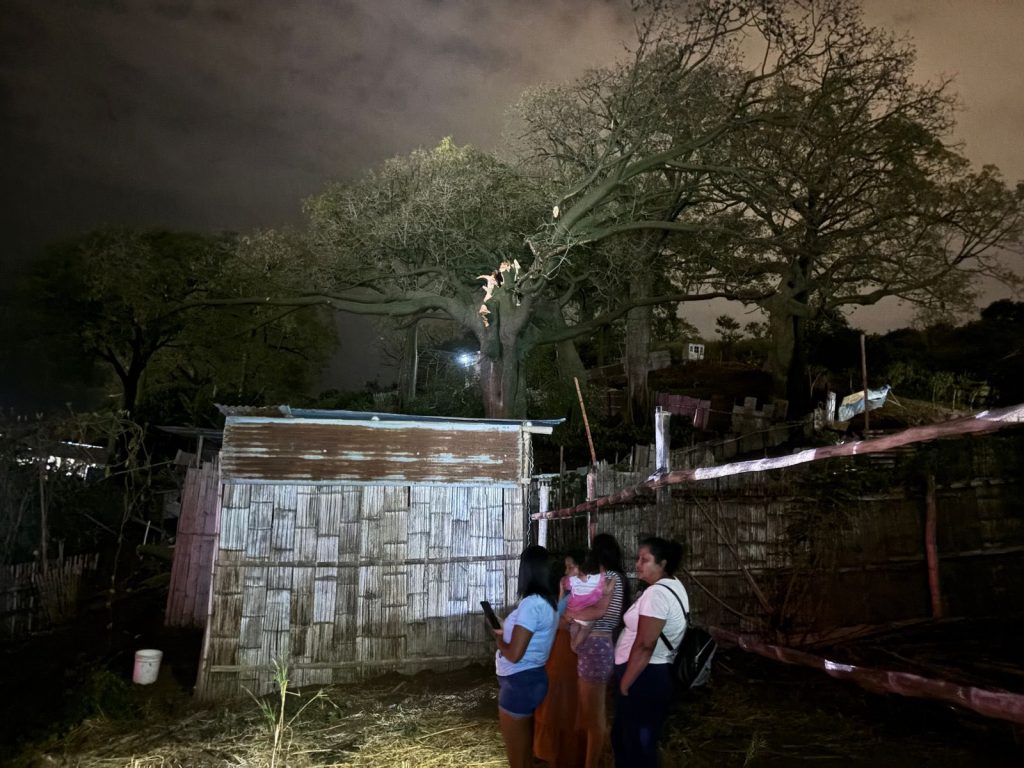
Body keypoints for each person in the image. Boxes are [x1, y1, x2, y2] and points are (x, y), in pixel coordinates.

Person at [611, 537, 688, 768]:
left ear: (662, 563)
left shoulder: (657, 594)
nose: (638, 564)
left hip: (643, 677)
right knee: (638, 742)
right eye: (638, 558)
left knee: (634, 745)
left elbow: (646, 644)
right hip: (652, 674)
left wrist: (625, 683)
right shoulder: (673, 586)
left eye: (645, 560)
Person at [563, 533, 627, 768]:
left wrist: (573, 614)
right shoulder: (607, 577)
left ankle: (593, 763)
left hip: (596, 647)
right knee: (590, 712)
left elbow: (600, 611)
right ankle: (597, 756)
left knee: (594, 716)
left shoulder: (610, 578)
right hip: (592, 647)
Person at [494, 545, 558, 768]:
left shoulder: (531, 604)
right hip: (533, 678)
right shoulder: (548, 603)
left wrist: (499, 640)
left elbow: (514, 654)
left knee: (518, 760)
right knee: (526, 755)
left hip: (519, 683)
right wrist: (506, 629)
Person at [564, 550, 604, 651]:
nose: (566, 571)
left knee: (574, 631)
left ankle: (574, 645)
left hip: (574, 614)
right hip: (587, 617)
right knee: (583, 630)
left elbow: (567, 586)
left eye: (570, 567)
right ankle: (575, 646)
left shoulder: (572, 580)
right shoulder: (598, 579)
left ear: (581, 566)